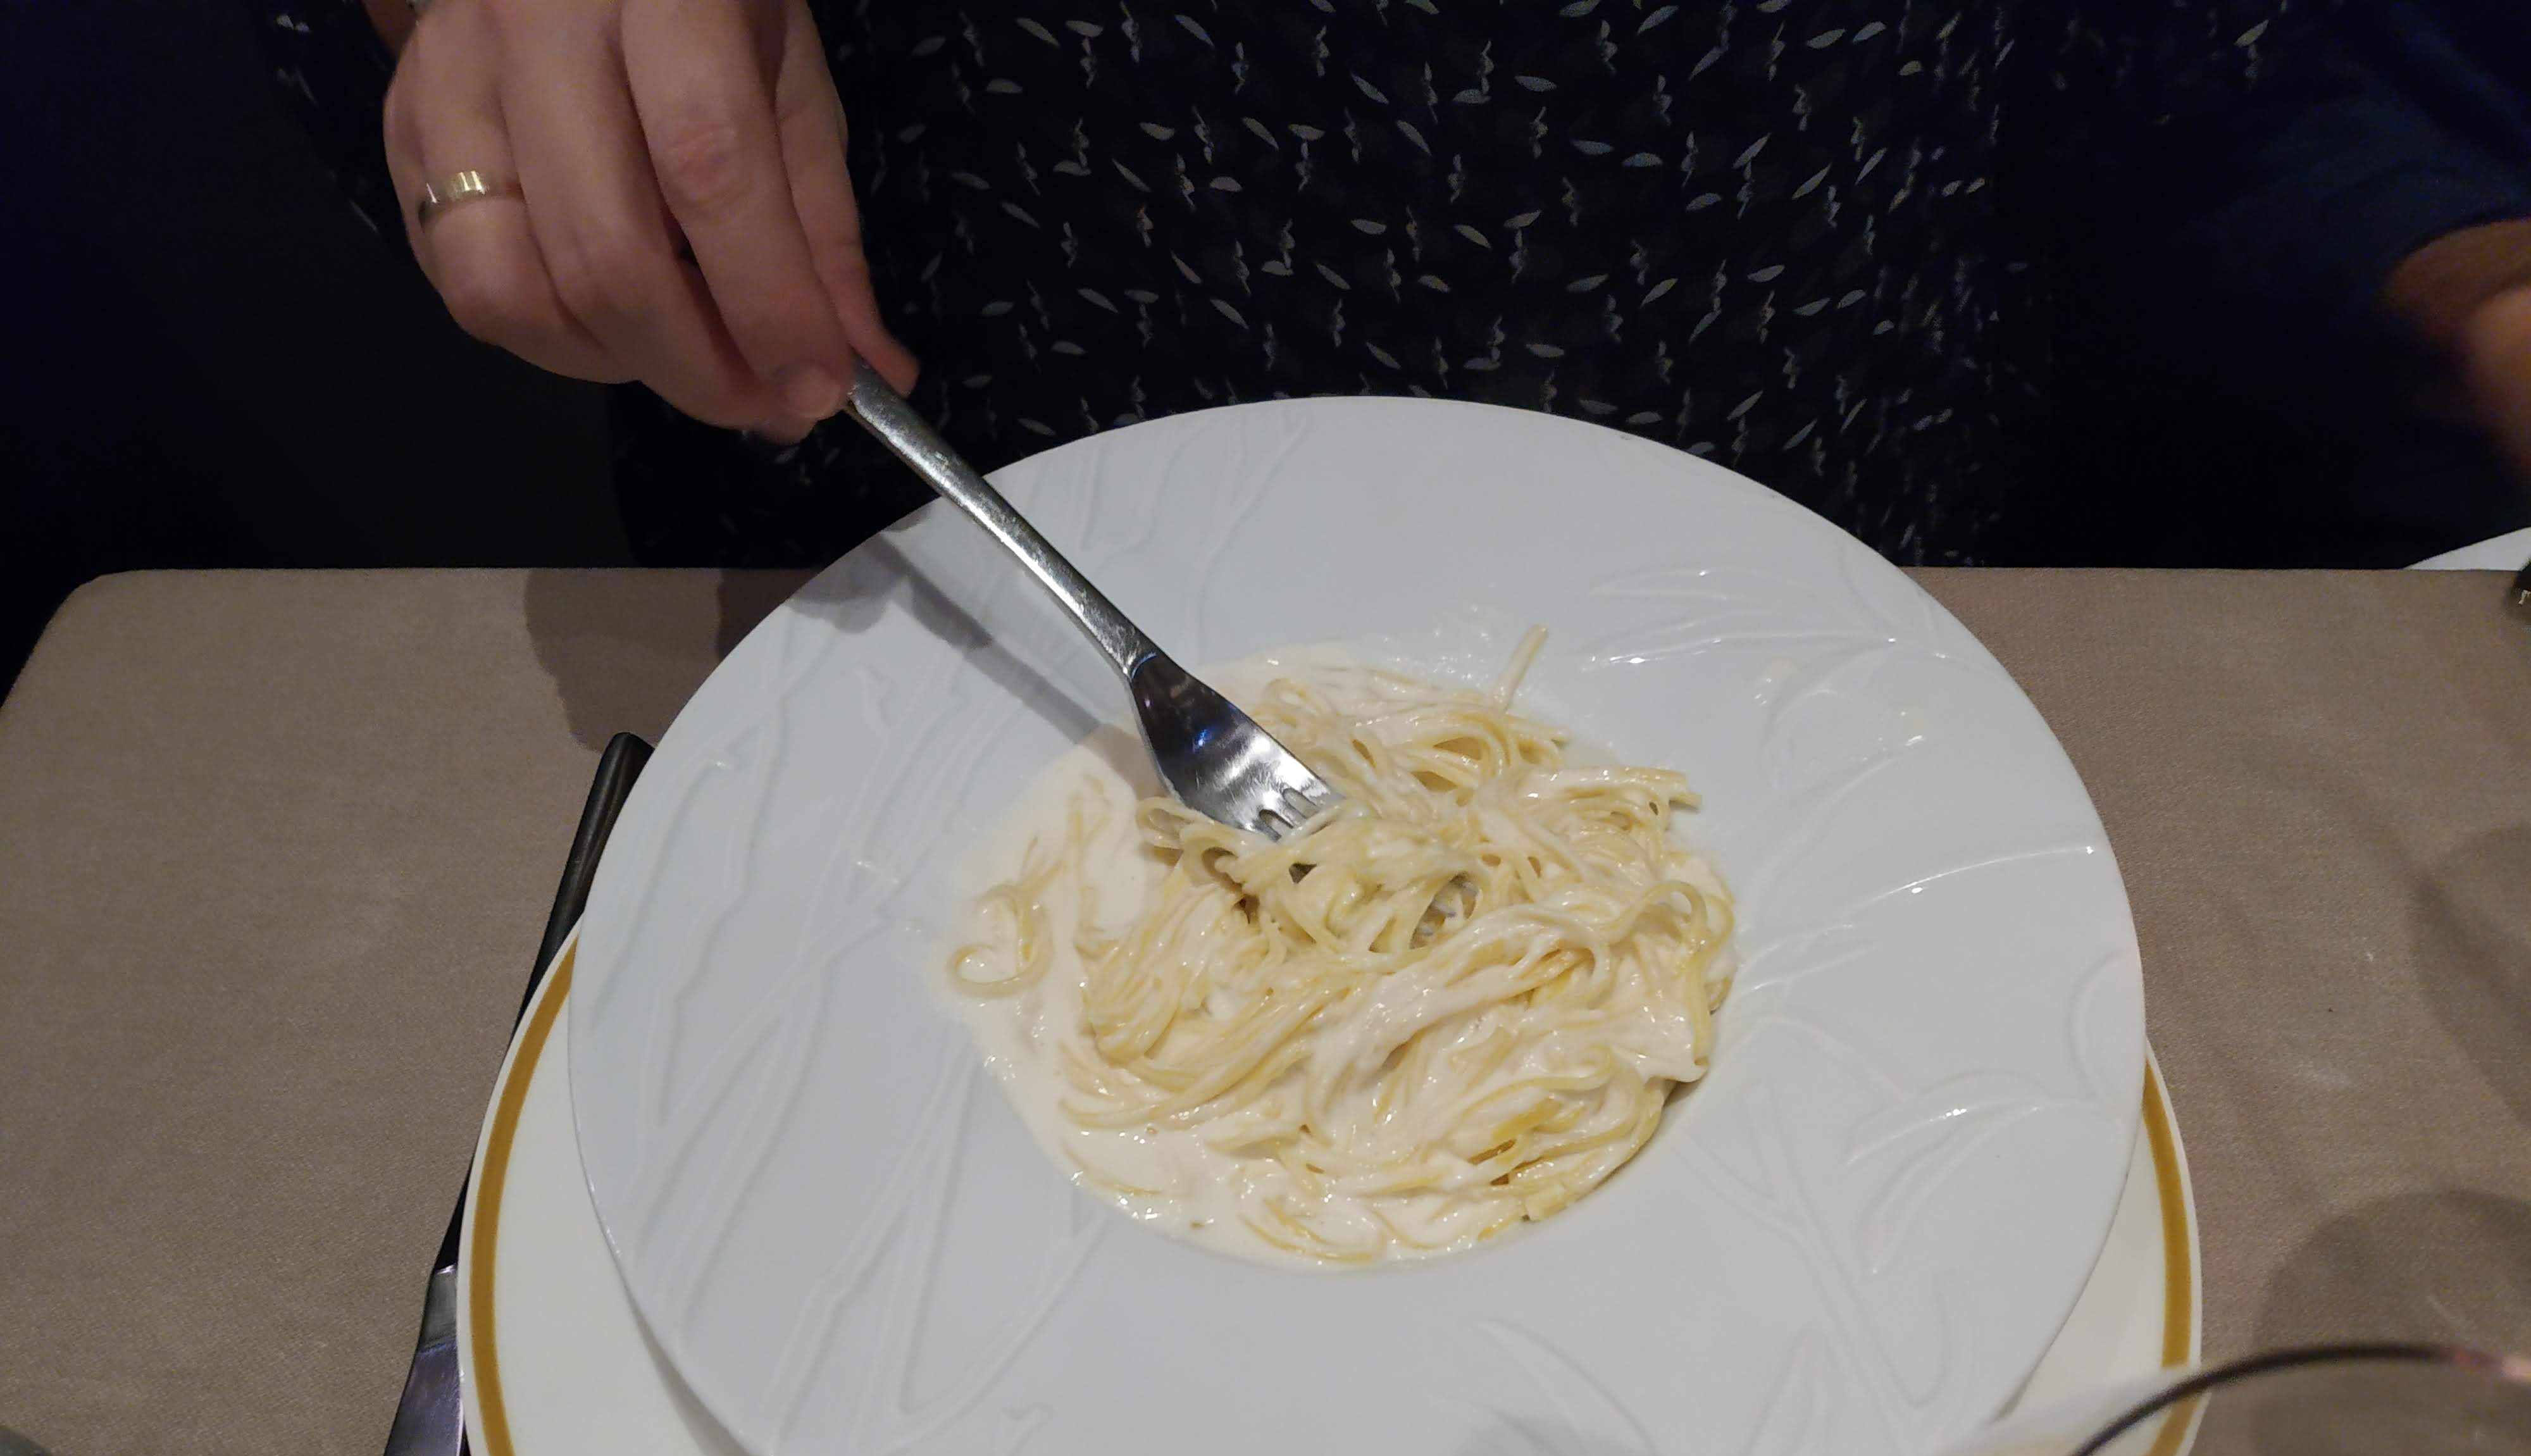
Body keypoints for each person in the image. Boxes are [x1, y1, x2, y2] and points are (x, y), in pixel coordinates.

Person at [254, 0, 2527, 568]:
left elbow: (2207, 71)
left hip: (1859, 598)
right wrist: (495, 61)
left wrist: (2484, 292)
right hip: (941, 602)